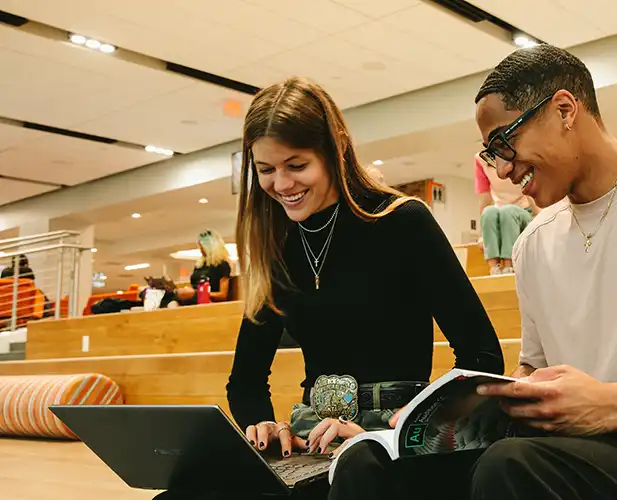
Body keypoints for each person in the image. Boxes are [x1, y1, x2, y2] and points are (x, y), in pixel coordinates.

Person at [331, 44, 617, 500]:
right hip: (575, 451)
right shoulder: (535, 243)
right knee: (370, 465)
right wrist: (449, 420)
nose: (501, 170)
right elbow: (536, 371)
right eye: (489, 154)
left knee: (514, 467)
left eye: (503, 142)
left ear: (564, 110)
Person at [153, 77, 504, 500]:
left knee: (356, 475)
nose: (281, 185)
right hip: (309, 440)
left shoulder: (403, 222)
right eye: (266, 170)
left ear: (336, 147)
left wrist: (398, 430)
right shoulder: (275, 245)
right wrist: (265, 426)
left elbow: (481, 357)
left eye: (296, 166)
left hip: (393, 440)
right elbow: (245, 382)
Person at [474, 155, 538, 275]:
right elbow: (484, 197)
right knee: (488, 212)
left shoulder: (516, 152)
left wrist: (538, 215)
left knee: (508, 212)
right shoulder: (481, 159)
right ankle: (494, 268)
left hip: (523, 211)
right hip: (500, 211)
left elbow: (528, 185)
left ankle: (509, 265)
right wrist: (481, 235)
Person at [173, 229, 233, 304]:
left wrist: (197, 293)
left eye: (202, 246)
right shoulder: (199, 265)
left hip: (208, 302)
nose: (200, 249)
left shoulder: (222, 265)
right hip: (193, 300)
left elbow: (222, 295)